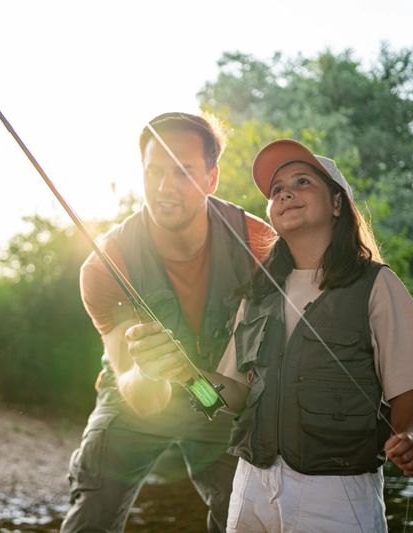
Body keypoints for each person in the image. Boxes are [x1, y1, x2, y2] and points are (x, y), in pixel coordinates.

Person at [126, 139, 413, 532]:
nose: (285, 192)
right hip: (250, 486)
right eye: (277, 188)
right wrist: (184, 374)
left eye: (302, 182)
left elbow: (407, 392)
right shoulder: (256, 293)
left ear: (337, 205)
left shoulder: (377, 285)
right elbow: (231, 395)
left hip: (338, 492)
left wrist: (408, 437)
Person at [61, 112, 276, 533]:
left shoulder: (260, 245)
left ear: (211, 178)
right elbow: (140, 396)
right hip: (136, 396)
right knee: (94, 511)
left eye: (183, 172)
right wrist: (148, 372)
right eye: (154, 172)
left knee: (249, 512)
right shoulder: (105, 265)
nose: (165, 188)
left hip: (220, 394)